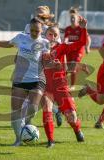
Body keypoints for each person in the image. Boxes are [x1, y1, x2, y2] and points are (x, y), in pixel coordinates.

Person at [0, 18, 49, 146]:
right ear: (29, 29)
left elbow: (47, 60)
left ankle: (27, 123)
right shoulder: (21, 38)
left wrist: (52, 62)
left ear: (42, 30)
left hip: (37, 78)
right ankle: (18, 139)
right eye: (32, 30)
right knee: (15, 112)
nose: (34, 33)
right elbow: (8, 43)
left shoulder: (45, 43)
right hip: (20, 79)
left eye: (37, 31)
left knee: (33, 108)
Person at [42, 17, 88, 148]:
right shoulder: (38, 48)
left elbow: (81, 42)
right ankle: (51, 141)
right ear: (45, 35)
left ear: (58, 37)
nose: (52, 36)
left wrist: (84, 29)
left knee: (71, 117)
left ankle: (77, 129)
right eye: (50, 34)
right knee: (47, 109)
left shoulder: (62, 47)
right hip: (46, 86)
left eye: (55, 34)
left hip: (60, 85)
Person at [23, 5, 63, 127]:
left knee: (38, 96)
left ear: (47, 15)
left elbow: (59, 46)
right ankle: (55, 111)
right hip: (31, 64)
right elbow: (25, 42)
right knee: (33, 96)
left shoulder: (52, 29)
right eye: (37, 13)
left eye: (41, 14)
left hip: (46, 67)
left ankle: (25, 123)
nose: (38, 16)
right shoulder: (28, 26)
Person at [64, 8, 91, 90]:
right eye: (71, 18)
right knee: (66, 69)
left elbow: (88, 38)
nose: (72, 19)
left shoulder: (80, 28)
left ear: (77, 19)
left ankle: (72, 86)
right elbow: (66, 38)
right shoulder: (68, 29)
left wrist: (87, 47)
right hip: (70, 50)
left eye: (73, 18)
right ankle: (82, 67)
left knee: (72, 67)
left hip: (78, 50)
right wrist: (65, 42)